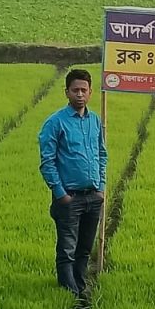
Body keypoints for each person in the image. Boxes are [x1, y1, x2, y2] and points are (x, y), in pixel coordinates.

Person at [38, 69, 108, 297]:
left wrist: (101, 187)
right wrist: (61, 194)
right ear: (66, 92)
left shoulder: (95, 120)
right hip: (69, 197)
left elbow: (102, 154)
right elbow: (47, 162)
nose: (80, 94)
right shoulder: (55, 123)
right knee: (67, 249)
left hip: (92, 196)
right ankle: (68, 291)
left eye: (84, 90)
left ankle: (80, 284)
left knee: (84, 248)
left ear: (90, 92)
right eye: (75, 90)